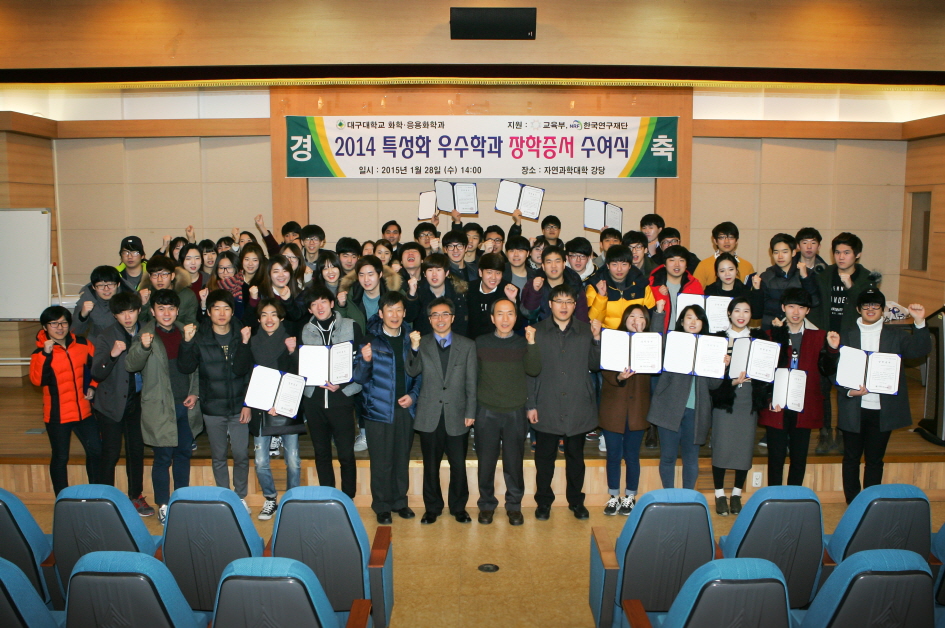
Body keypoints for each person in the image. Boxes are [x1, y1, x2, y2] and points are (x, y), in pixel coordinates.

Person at [824, 290, 931, 504]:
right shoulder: (845, 334)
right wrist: (848, 390)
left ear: (883, 310)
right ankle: (853, 502)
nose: (871, 309)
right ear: (858, 309)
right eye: (866, 305)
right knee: (851, 458)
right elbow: (829, 368)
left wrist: (920, 322)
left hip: (883, 409)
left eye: (876, 306)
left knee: (875, 460)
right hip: (853, 406)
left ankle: (870, 503)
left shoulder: (896, 335)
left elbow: (919, 349)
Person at [125, 289, 202, 524]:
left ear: (177, 311)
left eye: (170, 309)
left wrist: (195, 393)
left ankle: (181, 501)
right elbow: (130, 364)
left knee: (183, 455)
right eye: (161, 309)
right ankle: (164, 505)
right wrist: (143, 347)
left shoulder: (187, 331)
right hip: (159, 407)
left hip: (185, 405)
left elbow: (196, 368)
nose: (166, 313)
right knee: (162, 458)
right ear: (152, 311)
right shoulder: (145, 334)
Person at [528, 284, 602, 521]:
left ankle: (576, 501)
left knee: (576, 458)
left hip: (577, 404)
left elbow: (595, 365)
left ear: (575, 305)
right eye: (559, 301)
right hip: (546, 404)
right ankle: (543, 502)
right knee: (544, 459)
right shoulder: (537, 332)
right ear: (550, 304)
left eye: (569, 301)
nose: (564, 306)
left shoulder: (586, 331)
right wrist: (531, 404)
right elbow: (530, 372)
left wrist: (597, 338)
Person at [178, 289, 253, 513]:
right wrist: (187, 342)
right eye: (216, 308)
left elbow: (245, 372)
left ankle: (240, 496)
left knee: (241, 454)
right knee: (219, 456)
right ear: (209, 312)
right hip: (212, 407)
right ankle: (225, 497)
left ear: (232, 312)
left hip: (239, 406)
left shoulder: (241, 334)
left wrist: (247, 404)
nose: (221, 313)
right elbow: (186, 367)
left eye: (226, 308)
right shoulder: (200, 337)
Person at [407, 297, 477, 524]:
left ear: (453, 318)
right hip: (430, 414)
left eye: (445, 314)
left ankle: (459, 508)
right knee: (430, 466)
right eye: (435, 315)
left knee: (458, 465)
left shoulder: (467, 345)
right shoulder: (422, 343)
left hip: (458, 414)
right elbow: (412, 371)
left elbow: (471, 382)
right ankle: (432, 508)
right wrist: (414, 348)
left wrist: (471, 411)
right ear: (429, 319)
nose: (440, 319)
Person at [354, 292, 422, 524]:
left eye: (399, 310)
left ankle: (400, 502)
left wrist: (413, 396)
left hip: (405, 409)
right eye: (389, 310)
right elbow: (359, 378)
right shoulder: (369, 340)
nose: (395, 315)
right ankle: (382, 505)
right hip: (378, 411)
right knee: (381, 461)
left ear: (404, 313)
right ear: (381, 313)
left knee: (401, 459)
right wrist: (365, 361)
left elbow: (419, 374)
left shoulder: (411, 340)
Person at [809, 232, 878, 454]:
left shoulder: (866, 278)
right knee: (822, 389)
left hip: (852, 343)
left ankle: (843, 432)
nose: (841, 257)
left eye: (846, 252)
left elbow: (870, 307)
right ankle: (824, 432)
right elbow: (814, 303)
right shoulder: (824, 275)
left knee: (847, 390)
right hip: (826, 340)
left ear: (857, 255)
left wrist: (852, 287)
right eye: (837, 252)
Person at [474, 299, 540, 525]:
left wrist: (532, 343)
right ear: (492, 318)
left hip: (515, 411)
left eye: (510, 313)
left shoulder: (523, 343)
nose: (505, 319)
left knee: (514, 462)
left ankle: (514, 505)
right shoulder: (480, 343)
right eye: (500, 314)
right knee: (486, 463)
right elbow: (472, 378)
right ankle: (486, 505)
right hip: (486, 410)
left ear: (516, 317)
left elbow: (534, 370)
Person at [759, 288, 831, 488]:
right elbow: (762, 374)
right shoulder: (770, 335)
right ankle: (773, 497)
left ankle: (795, 497)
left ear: (808, 310)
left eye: (801, 307)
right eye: (791, 306)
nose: (796, 312)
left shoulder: (819, 336)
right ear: (783, 308)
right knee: (776, 457)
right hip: (776, 405)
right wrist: (768, 398)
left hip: (804, 404)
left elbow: (828, 370)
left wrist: (833, 350)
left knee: (799, 458)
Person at [646, 305, 724, 489]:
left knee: (691, 459)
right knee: (668, 457)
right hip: (669, 409)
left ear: (703, 323)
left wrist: (722, 367)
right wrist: (659, 313)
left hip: (696, 412)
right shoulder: (673, 341)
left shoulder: (710, 346)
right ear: (682, 321)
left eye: (698, 318)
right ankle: (669, 496)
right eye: (689, 317)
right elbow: (655, 341)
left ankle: (688, 498)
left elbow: (714, 385)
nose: (693, 322)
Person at [91, 291, 153, 516]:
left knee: (136, 450)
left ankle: (136, 496)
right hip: (111, 403)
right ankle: (105, 499)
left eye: (131, 311)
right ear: (114, 315)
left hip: (137, 401)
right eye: (121, 313)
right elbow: (97, 373)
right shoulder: (105, 336)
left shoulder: (147, 331)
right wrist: (112, 354)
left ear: (139, 311)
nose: (127, 317)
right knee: (111, 452)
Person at [599, 303, 664, 516]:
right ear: (624, 319)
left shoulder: (651, 344)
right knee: (613, 455)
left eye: (641, 317)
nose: (636, 320)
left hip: (637, 410)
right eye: (632, 316)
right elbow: (605, 370)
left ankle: (630, 496)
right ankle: (613, 496)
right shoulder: (613, 341)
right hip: (613, 409)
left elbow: (657, 366)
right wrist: (618, 376)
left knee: (632, 456)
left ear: (646, 321)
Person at [30, 305, 102, 496]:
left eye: (63, 323)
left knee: (96, 451)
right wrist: (46, 354)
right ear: (45, 327)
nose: (59, 327)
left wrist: (93, 386)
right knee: (61, 457)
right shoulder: (39, 353)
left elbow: (98, 368)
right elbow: (37, 380)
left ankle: (96, 494)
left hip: (84, 412)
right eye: (54, 324)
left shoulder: (82, 344)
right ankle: (62, 498)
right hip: (57, 415)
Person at [300, 286, 363, 498]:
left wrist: (344, 388)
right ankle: (328, 496)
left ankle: (348, 497)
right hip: (314, 402)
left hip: (341, 400)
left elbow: (362, 364)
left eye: (323, 302)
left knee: (346, 454)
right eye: (314, 304)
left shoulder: (351, 326)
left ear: (332, 303)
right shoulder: (305, 330)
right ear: (309, 309)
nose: (320, 307)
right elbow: (302, 366)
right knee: (321, 453)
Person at [247, 298, 305, 520]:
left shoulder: (290, 341)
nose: (269, 319)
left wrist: (292, 351)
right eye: (264, 315)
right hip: (260, 407)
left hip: (286, 406)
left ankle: (291, 499)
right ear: (259, 319)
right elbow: (247, 375)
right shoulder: (252, 342)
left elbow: (298, 376)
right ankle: (270, 498)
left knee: (293, 460)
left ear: (281, 318)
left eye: (273, 314)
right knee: (261, 461)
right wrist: (262, 403)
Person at [708, 297, 767, 516]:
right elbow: (711, 378)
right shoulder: (718, 339)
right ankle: (719, 494)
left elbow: (768, 371)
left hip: (748, 400)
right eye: (737, 311)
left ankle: (736, 494)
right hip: (725, 401)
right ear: (729, 313)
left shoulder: (760, 339)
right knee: (721, 446)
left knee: (744, 447)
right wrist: (726, 374)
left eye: (746, 311)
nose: (741, 315)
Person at [750, 233, 819, 330]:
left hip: (797, 329)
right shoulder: (765, 277)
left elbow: (814, 302)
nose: (780, 256)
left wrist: (805, 278)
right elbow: (759, 308)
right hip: (770, 327)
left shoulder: (806, 274)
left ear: (793, 252)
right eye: (776, 252)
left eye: (785, 252)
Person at [586, 244, 655, 330]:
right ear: (607, 265)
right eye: (614, 264)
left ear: (630, 265)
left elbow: (651, 317)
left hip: (635, 333)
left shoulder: (641, 285)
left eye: (624, 264)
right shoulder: (595, 286)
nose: (619, 269)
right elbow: (593, 321)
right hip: (606, 334)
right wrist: (601, 297)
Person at [405, 252, 470, 337]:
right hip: (424, 341)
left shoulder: (457, 293)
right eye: (430, 270)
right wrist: (412, 294)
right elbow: (409, 318)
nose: (434, 274)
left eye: (438, 270)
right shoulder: (418, 291)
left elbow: (461, 325)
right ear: (424, 274)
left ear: (446, 273)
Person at [522, 245, 590, 324]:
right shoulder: (534, 284)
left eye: (557, 261)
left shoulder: (575, 285)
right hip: (540, 330)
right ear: (543, 266)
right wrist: (534, 291)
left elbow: (582, 319)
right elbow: (528, 314)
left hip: (570, 331)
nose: (553, 266)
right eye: (549, 262)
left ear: (564, 264)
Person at [336, 254, 404, 334]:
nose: (366, 279)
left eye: (370, 274)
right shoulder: (350, 295)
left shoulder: (394, 293)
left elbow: (407, 320)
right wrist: (341, 306)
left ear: (380, 274)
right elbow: (339, 326)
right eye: (361, 275)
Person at [649, 245, 703, 332]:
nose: (677, 264)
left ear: (686, 264)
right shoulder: (653, 284)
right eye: (672, 260)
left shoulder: (695, 285)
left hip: (686, 334)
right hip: (661, 334)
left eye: (681, 260)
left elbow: (700, 315)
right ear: (664, 264)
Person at [467, 252, 519, 338]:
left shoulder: (509, 291)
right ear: (480, 272)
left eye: (498, 273)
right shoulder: (469, 289)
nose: (493, 277)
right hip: (471, 341)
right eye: (489, 272)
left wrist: (512, 300)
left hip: (498, 341)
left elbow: (517, 325)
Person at [139, 255, 198, 327]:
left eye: (164, 274)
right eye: (155, 274)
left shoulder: (187, 295)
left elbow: (191, 323)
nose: (159, 279)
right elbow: (139, 324)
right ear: (150, 277)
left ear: (172, 276)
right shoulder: (144, 295)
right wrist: (144, 305)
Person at [692, 222, 755, 289]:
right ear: (715, 241)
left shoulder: (747, 266)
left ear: (736, 241)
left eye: (731, 237)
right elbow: (695, 291)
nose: (726, 241)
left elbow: (750, 292)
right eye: (722, 237)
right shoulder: (703, 265)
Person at [73, 265, 123, 340]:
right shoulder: (87, 299)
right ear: (93, 287)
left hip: (124, 342)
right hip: (97, 343)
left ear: (118, 284)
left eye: (110, 284)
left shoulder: (129, 298)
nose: (106, 289)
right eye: (100, 286)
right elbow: (74, 332)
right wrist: (82, 316)